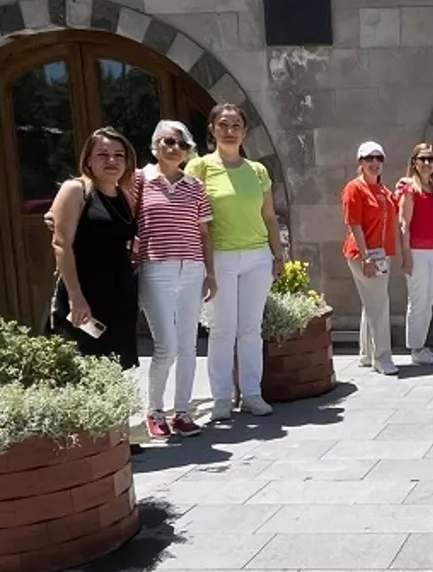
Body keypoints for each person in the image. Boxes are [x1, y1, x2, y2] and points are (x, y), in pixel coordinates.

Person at [186, 103, 285, 420]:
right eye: (223, 125)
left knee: (250, 329)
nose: (230, 131)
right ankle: (222, 399)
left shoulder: (257, 171)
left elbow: (269, 216)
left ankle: (252, 394)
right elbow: (192, 217)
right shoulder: (199, 167)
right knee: (222, 330)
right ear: (212, 129)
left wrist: (278, 254)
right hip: (220, 258)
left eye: (236, 126)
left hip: (258, 257)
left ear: (245, 131)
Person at [135, 121, 217, 438]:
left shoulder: (195, 186)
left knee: (188, 346)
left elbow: (204, 232)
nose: (175, 148)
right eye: (168, 141)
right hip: (156, 268)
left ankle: (181, 412)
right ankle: (154, 410)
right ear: (155, 144)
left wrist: (210, 273)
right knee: (166, 347)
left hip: (192, 269)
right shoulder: (139, 180)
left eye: (182, 144)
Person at [47, 127, 140, 374]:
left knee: (116, 366)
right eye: (103, 154)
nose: (112, 161)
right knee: (82, 365)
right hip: (85, 292)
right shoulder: (76, 190)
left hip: (119, 293)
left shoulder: (124, 196)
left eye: (119, 155)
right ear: (88, 160)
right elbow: (61, 244)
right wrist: (76, 297)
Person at [341, 140, 398, 376]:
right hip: (364, 255)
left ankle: (366, 353)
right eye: (369, 158)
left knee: (372, 302)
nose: (374, 163)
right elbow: (354, 224)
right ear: (360, 162)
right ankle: (382, 357)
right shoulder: (354, 188)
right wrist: (366, 258)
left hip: (382, 254)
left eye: (378, 158)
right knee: (379, 304)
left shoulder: (384, 190)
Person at [396, 142, 433, 365]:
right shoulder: (409, 189)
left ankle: (422, 345)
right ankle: (416, 349)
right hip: (417, 251)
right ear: (414, 162)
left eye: (431, 159)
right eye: (422, 159)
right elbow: (403, 224)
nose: (426, 163)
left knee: (428, 301)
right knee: (417, 301)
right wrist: (406, 256)